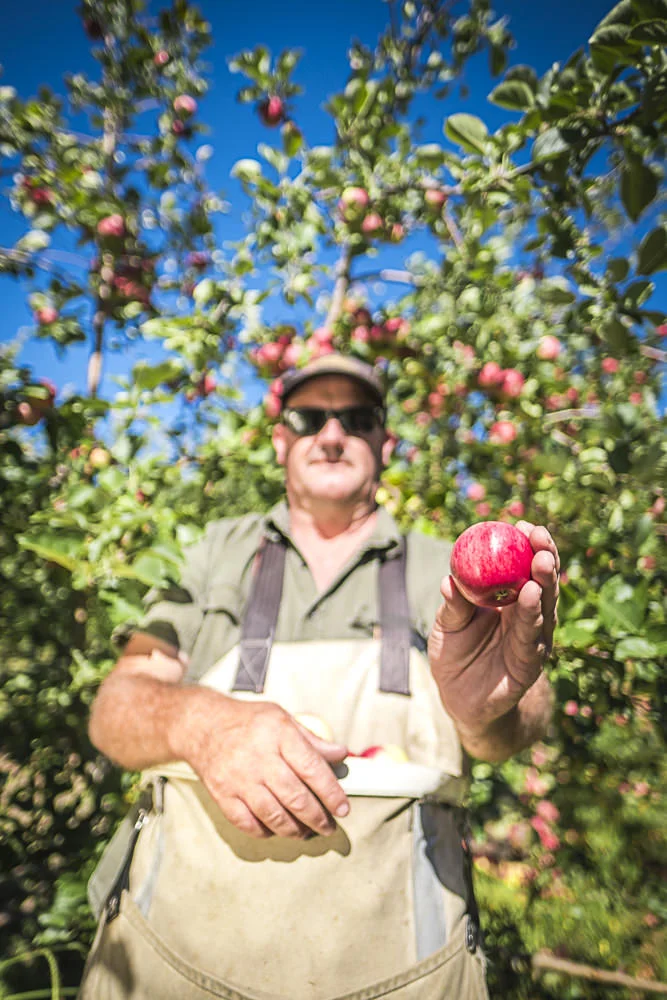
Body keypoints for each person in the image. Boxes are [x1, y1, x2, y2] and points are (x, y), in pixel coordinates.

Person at [79, 353, 558, 1000]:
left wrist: (488, 712)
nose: (331, 435)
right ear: (281, 441)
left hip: (405, 976)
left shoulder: (441, 571)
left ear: (384, 443)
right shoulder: (216, 552)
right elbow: (116, 709)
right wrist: (201, 723)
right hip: (170, 967)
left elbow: (516, 727)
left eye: (355, 419)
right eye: (309, 418)